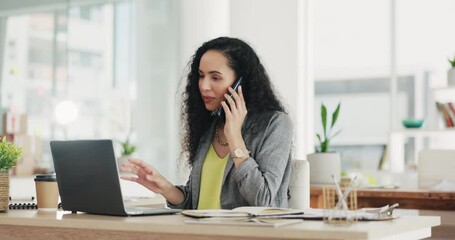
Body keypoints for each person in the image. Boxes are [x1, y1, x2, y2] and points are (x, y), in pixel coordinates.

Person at [121, 37, 293, 209]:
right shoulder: (211, 126)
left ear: (241, 83)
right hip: (201, 232)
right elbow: (195, 203)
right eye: (201, 76)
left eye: (215, 78)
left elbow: (264, 200)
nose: (204, 86)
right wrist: (164, 187)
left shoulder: (275, 124)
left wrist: (234, 137)